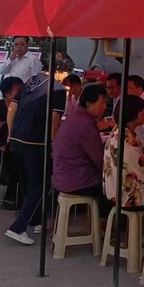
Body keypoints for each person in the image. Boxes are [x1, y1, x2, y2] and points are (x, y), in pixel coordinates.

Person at [3, 70, 67, 245]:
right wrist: (54, 142)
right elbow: (55, 117)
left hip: (17, 139)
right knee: (39, 185)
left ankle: (36, 220)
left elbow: (12, 108)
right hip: (36, 142)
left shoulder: (29, 83)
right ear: (60, 72)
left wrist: (10, 133)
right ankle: (18, 227)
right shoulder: (58, 89)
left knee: (28, 184)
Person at [52, 84, 111, 217]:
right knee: (113, 188)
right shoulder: (85, 124)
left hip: (63, 177)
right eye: (102, 103)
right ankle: (106, 224)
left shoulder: (75, 117)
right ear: (89, 103)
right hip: (76, 181)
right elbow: (100, 160)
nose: (104, 107)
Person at [103, 94, 144, 210]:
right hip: (127, 195)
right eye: (142, 111)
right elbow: (143, 172)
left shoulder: (118, 131)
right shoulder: (126, 139)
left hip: (115, 190)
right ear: (133, 114)